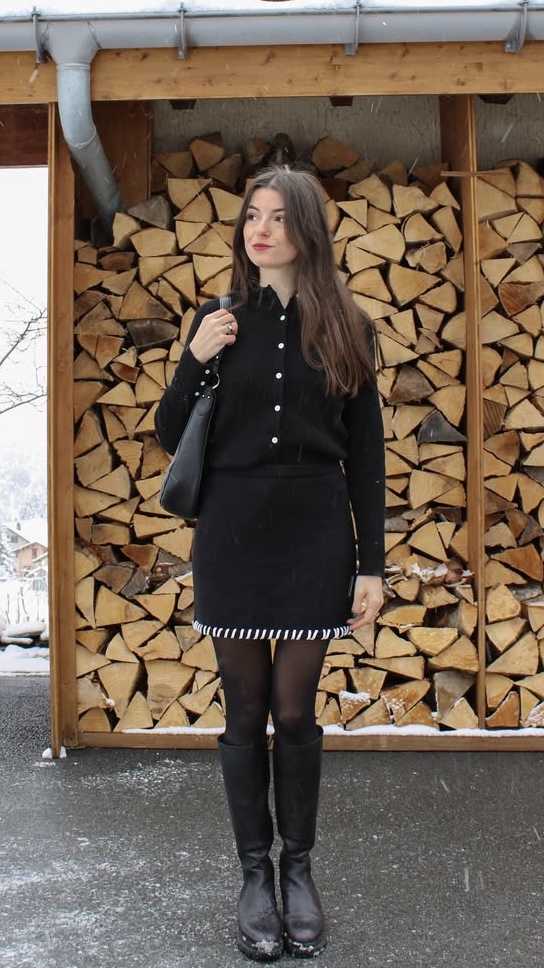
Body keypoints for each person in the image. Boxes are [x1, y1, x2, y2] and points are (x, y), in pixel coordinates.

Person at [155, 166, 385, 961]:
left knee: (294, 713)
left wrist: (372, 565)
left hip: (316, 534)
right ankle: (254, 875)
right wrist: (194, 358)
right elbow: (170, 433)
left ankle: (300, 871)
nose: (260, 229)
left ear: (308, 230)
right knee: (244, 712)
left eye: (279, 217)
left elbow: (367, 455)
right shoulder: (218, 319)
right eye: (253, 215)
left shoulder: (351, 325)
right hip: (232, 534)